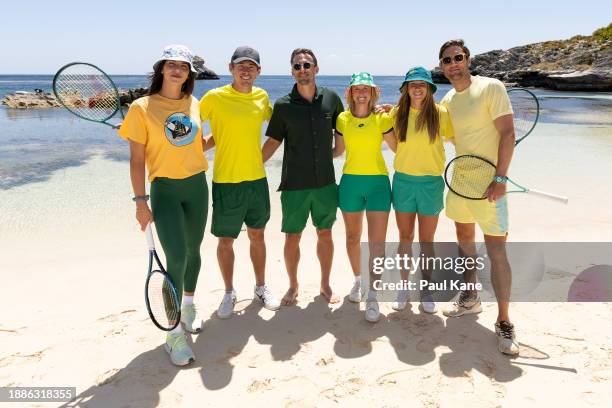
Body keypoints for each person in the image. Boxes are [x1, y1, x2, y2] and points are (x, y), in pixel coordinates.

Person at [118, 44, 208, 366]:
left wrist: (228, 136)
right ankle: (173, 334)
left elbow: (195, 145)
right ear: (160, 70)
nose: (177, 70)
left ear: (189, 74)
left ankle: (188, 306)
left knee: (195, 251)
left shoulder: (194, 103)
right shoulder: (141, 107)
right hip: (165, 190)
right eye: (171, 64)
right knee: (177, 256)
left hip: (197, 186)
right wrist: (140, 202)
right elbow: (137, 159)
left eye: (183, 66)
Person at [438, 39, 519, 355]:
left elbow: (508, 133)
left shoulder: (492, 87)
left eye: (458, 57)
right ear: (442, 67)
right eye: (447, 60)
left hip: (491, 187)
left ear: (468, 60)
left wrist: (501, 177)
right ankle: (470, 296)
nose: (453, 64)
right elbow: (437, 131)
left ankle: (504, 321)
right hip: (460, 185)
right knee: (464, 243)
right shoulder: (446, 100)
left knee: (497, 252)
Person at [199, 46, 280, 319]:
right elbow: (187, 126)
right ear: (230, 68)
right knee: (226, 240)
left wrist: (262, 157)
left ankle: (261, 286)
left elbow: (282, 125)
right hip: (226, 181)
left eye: (251, 66)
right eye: (240, 65)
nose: (246, 70)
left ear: (259, 71)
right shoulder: (214, 97)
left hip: (257, 181)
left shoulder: (262, 97)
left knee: (258, 236)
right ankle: (229, 292)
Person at [261, 48, 344, 306]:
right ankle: (293, 285)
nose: (303, 70)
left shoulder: (331, 98)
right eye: (297, 66)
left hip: (325, 184)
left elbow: (342, 138)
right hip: (294, 185)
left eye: (307, 65)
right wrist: (252, 166)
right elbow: (273, 142)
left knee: (325, 234)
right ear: (292, 72)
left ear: (316, 69)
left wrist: (334, 154)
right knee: (292, 237)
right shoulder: (283, 105)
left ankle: (325, 284)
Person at [388, 67, 454, 314]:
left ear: (429, 89)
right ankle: (403, 287)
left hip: (431, 184)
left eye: (422, 84)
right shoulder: (396, 114)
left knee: (427, 240)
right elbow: (393, 143)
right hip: (404, 182)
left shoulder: (441, 114)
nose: (417, 88)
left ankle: (426, 289)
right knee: (405, 238)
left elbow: (459, 138)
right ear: (406, 88)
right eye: (412, 84)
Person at [333, 72, 396, 322]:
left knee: (377, 243)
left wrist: (398, 111)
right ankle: (358, 281)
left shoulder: (382, 118)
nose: (361, 93)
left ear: (374, 93)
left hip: (378, 184)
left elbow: (398, 148)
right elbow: (337, 151)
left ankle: (374, 294)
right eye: (357, 89)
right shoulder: (341, 119)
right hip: (350, 184)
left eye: (366, 89)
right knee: (352, 237)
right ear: (349, 93)